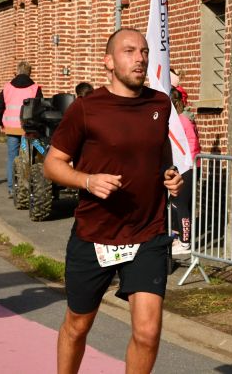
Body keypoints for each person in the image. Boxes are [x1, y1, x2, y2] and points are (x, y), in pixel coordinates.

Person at [44, 28, 183, 374]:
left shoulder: (159, 104)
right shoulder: (86, 109)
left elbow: (160, 150)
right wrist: (87, 180)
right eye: (129, 51)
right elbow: (52, 164)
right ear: (108, 62)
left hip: (147, 233)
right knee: (78, 325)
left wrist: (168, 173)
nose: (140, 58)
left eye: (144, 51)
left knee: (148, 333)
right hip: (95, 235)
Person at [0, 61, 42, 198]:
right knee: (27, 158)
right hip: (28, 129)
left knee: (12, 157)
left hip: (11, 129)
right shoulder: (35, 88)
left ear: (17, 71)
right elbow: (40, 109)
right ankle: (26, 188)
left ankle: (12, 188)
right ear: (29, 73)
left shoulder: (7, 87)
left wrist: (1, 123)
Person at [170, 87, 201, 255]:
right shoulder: (183, 118)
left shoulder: (182, 120)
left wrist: (186, 164)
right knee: (179, 203)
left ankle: (185, 243)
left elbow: (192, 144)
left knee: (181, 204)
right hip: (187, 165)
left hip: (187, 166)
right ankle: (180, 237)